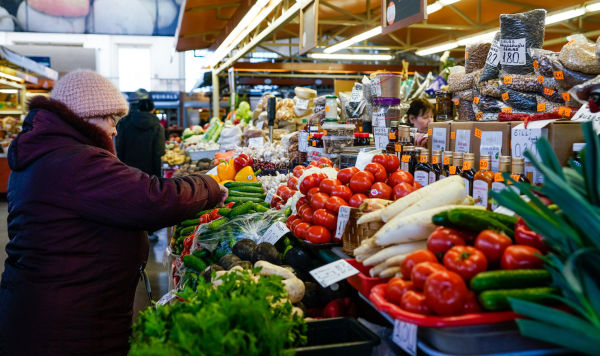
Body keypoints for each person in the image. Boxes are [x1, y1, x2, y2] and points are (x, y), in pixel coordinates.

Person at [0, 70, 228, 355]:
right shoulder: (76, 161)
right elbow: (153, 199)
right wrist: (210, 185)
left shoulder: (49, 154)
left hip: (49, 310)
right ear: (86, 116)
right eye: (110, 119)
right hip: (66, 327)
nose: (115, 129)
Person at [116, 88, 164, 178]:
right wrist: (158, 176)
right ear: (153, 110)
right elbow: (158, 153)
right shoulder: (157, 127)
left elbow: (119, 148)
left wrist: (121, 169)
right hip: (149, 173)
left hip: (128, 171)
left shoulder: (124, 124)